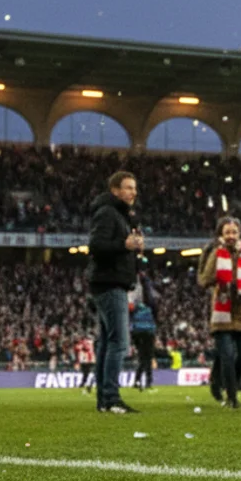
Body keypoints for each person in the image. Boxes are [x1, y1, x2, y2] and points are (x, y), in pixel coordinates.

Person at [87, 171, 143, 414]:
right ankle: (110, 397)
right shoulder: (108, 213)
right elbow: (96, 246)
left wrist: (134, 247)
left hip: (110, 283)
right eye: (128, 187)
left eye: (134, 188)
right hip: (109, 284)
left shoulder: (120, 215)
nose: (133, 192)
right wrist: (124, 244)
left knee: (108, 343)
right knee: (119, 342)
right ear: (115, 190)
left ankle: (104, 399)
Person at [197, 216, 241, 410]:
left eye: (234, 232)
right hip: (222, 311)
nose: (231, 236)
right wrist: (215, 261)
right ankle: (232, 397)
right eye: (227, 232)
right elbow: (204, 280)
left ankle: (218, 380)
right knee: (226, 354)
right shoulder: (216, 253)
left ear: (240, 234)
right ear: (220, 235)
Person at [128, 272, 159, 392]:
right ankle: (148, 382)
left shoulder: (134, 302)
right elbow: (156, 312)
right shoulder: (151, 303)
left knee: (142, 357)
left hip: (137, 330)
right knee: (147, 357)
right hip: (148, 330)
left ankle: (137, 380)